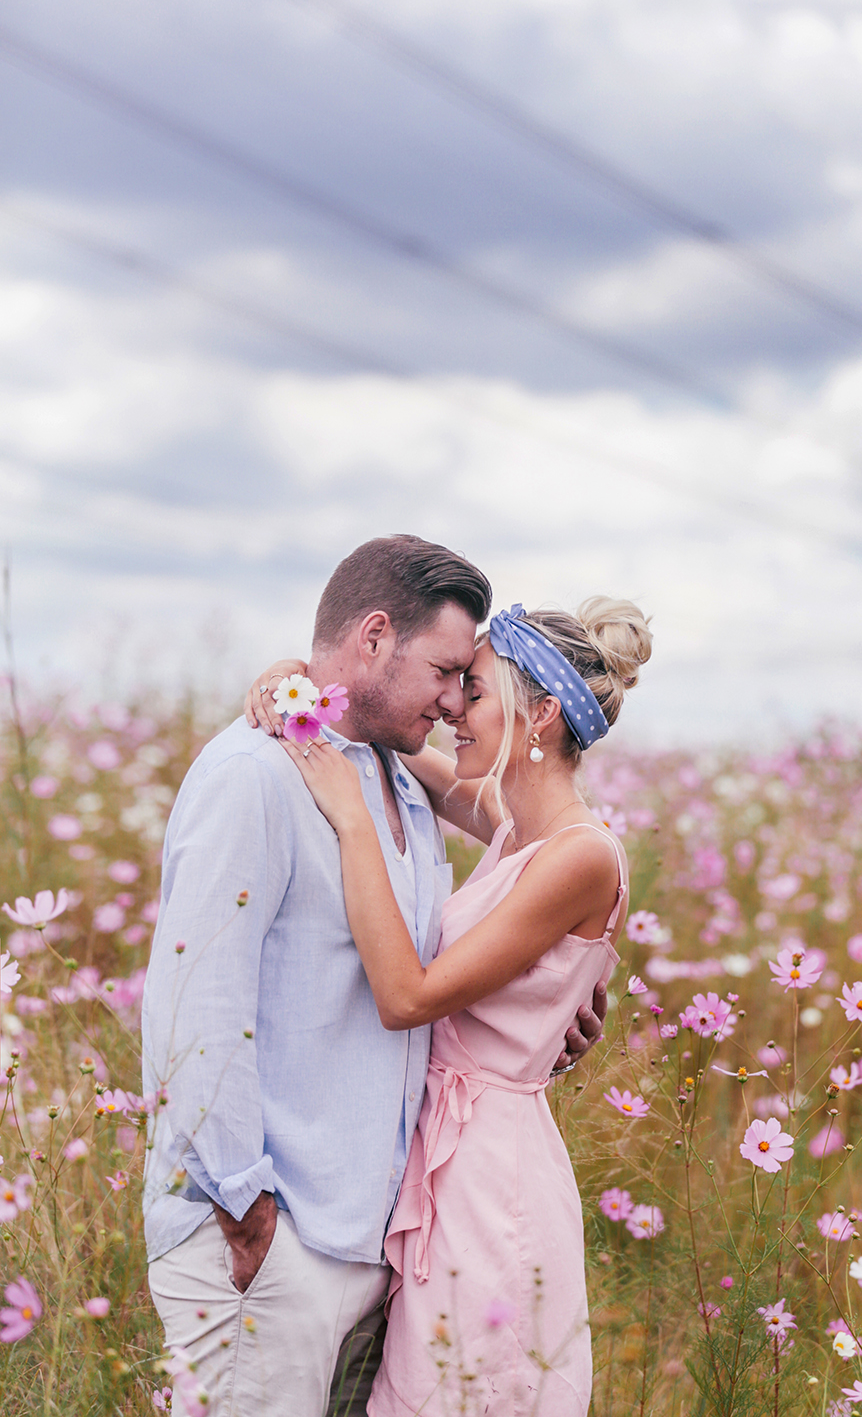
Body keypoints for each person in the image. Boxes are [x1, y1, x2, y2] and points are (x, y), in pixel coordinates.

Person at [140, 536, 605, 1417]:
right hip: (271, 1240)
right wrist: (242, 1204)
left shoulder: (405, 783)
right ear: (375, 636)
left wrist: (560, 998)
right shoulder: (256, 774)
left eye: (471, 682)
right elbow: (192, 1003)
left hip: (383, 1243)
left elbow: (544, 873)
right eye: (444, 671)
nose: (453, 700)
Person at [266, 596, 652, 1416]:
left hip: (490, 1182)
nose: (451, 713)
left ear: (540, 713)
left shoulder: (582, 855)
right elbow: (396, 750)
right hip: (448, 1150)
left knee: (468, 1391)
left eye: (471, 692)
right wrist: (298, 685)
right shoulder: (516, 828)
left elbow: (408, 996)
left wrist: (350, 822)